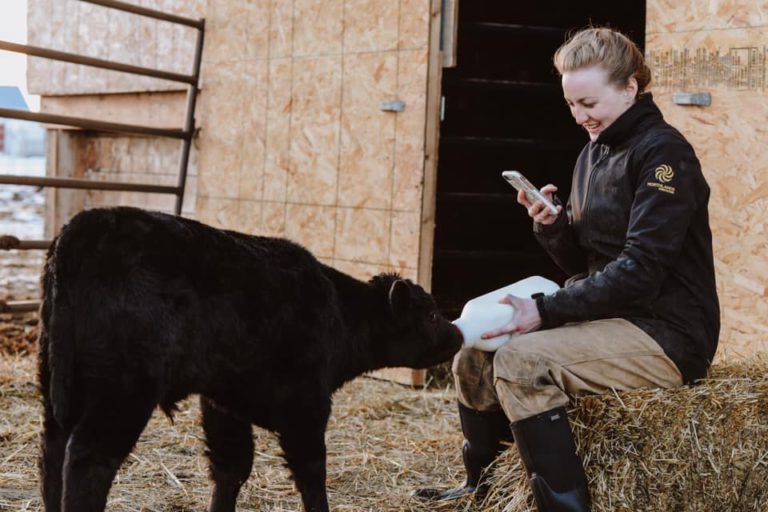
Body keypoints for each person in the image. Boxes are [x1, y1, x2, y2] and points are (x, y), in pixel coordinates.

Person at [414, 27, 720, 511]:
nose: (580, 117)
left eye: (589, 103)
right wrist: (554, 227)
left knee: (521, 362)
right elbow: (587, 265)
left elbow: (641, 271)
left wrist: (545, 310)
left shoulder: (664, 155)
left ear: (629, 89)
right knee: (475, 352)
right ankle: (484, 490)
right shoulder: (592, 154)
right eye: (571, 105)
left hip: (666, 331)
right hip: (612, 316)